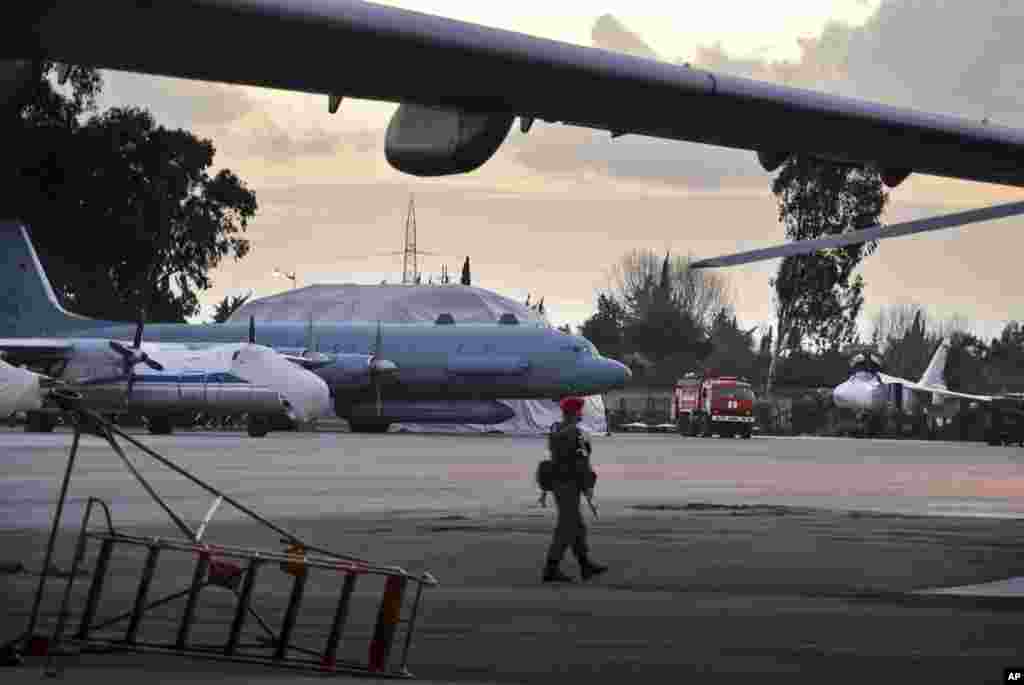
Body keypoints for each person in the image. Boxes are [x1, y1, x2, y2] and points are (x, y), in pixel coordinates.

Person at [541, 396, 608, 583]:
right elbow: (582, 462)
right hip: (570, 484)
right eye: (580, 411)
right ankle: (551, 568)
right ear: (575, 413)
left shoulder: (556, 430)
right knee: (567, 527)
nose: (581, 414)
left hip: (559, 483)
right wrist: (588, 487)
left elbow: (553, 458)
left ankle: (585, 565)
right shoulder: (576, 434)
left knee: (576, 526)